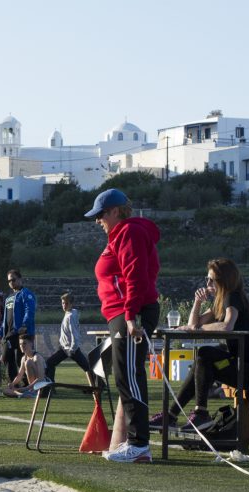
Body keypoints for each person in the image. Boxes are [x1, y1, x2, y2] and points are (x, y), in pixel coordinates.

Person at [152, 258, 249, 432]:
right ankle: (174, 415)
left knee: (205, 355)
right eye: (207, 279)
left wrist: (197, 328)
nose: (207, 283)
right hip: (243, 363)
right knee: (203, 358)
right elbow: (192, 323)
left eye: (212, 279)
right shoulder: (219, 302)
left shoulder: (232, 296)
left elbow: (227, 325)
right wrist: (197, 303)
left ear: (223, 281)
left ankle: (187, 414)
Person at [88, 188, 161, 463]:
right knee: (125, 375)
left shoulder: (129, 232)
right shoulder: (120, 235)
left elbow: (135, 276)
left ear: (116, 211)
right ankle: (135, 441)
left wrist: (131, 316)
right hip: (123, 311)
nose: (98, 220)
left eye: (101, 214)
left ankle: (139, 444)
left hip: (131, 311)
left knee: (129, 375)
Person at [0, 269, 37, 385]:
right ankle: (14, 385)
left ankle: (30, 385)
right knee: (7, 359)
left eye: (13, 279)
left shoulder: (26, 294)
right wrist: (0, 333)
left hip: (22, 333)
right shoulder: (9, 297)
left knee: (23, 360)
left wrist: (24, 326)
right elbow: (5, 318)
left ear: (20, 279)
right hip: (9, 334)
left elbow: (29, 311)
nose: (11, 282)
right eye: (9, 281)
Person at [44, 292, 93, 384]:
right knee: (50, 363)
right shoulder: (70, 313)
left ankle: (99, 386)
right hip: (64, 348)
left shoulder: (70, 316)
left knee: (87, 367)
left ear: (71, 304)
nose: (64, 305)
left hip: (71, 349)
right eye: (63, 303)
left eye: (66, 303)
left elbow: (74, 334)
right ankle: (50, 386)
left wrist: (73, 348)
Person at [3, 332, 47, 398]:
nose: (22, 346)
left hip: (42, 386)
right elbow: (20, 375)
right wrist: (12, 384)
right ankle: (24, 395)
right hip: (31, 387)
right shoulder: (23, 358)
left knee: (28, 362)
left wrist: (27, 388)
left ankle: (31, 393)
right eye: (20, 344)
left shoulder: (37, 357)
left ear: (31, 344)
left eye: (24, 343)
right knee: (6, 391)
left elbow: (41, 378)